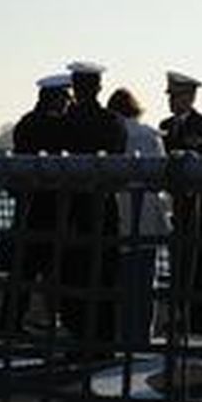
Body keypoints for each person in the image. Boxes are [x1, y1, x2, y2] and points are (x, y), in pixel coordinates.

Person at [52, 62, 126, 354]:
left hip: (71, 205)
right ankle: (105, 337)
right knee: (105, 272)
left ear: (75, 88)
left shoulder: (64, 122)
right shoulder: (113, 121)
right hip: (103, 202)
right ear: (98, 88)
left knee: (73, 273)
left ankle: (79, 334)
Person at [0, 73, 72, 333]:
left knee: (23, 270)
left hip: (29, 204)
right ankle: (57, 318)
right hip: (54, 204)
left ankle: (11, 320)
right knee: (54, 268)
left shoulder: (26, 123)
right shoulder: (61, 126)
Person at [159, 71, 202, 335]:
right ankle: (182, 314)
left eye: (178, 96)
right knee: (180, 263)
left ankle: (201, 317)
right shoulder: (165, 126)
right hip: (176, 207)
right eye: (171, 96)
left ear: (191, 97)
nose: (173, 101)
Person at [108, 87, 170, 345]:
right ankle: (142, 334)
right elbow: (162, 175)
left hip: (117, 214)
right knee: (145, 280)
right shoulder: (150, 135)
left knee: (118, 280)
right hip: (147, 215)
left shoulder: (113, 133)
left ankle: (120, 333)